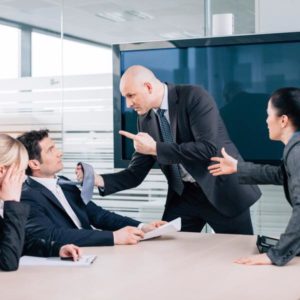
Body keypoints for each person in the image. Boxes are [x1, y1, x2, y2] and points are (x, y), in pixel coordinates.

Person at [77, 65, 261, 235]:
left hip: (221, 190)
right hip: (184, 196)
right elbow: (135, 173)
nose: (128, 104)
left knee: (238, 255)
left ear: (148, 87)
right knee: (167, 250)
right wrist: (97, 179)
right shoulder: (145, 119)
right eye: (125, 97)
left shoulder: (194, 96)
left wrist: (155, 148)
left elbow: (208, 148)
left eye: (131, 95)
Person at [18, 129, 165, 247]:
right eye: (51, 150)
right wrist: (114, 237)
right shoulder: (26, 195)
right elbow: (52, 235)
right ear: (34, 164)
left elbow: (98, 216)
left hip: (93, 252)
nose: (59, 153)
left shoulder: (63, 183)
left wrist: (142, 227)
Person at [208, 87, 300, 266]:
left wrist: (275, 255)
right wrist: (237, 167)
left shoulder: (297, 151)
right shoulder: (295, 148)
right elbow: (281, 174)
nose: (266, 121)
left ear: (283, 120)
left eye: (268, 114)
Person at [0, 134, 81, 272]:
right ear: (2, 171)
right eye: (20, 171)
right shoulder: (10, 203)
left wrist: (56, 248)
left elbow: (19, 242)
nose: (23, 178)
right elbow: (8, 262)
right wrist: (12, 203)